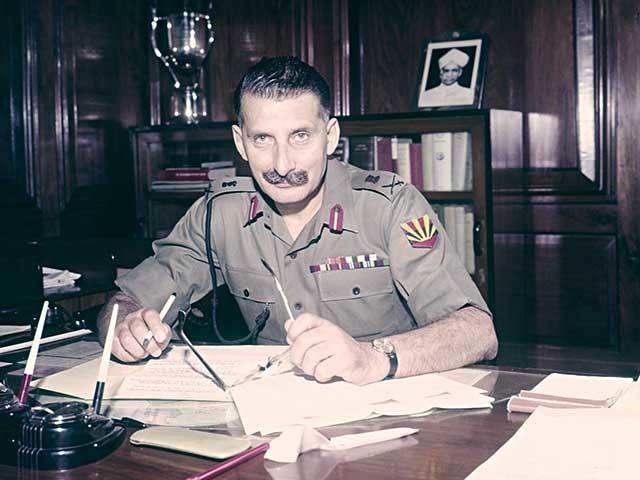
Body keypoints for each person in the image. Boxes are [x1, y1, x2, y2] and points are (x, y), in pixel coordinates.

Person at [98, 56, 497, 385]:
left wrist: (373, 358)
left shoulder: (388, 205)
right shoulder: (219, 212)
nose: (282, 164)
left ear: (330, 136)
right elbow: (124, 301)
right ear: (240, 143)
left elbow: (477, 331)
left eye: (300, 136)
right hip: (269, 414)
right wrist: (124, 327)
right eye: (263, 139)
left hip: (387, 411)